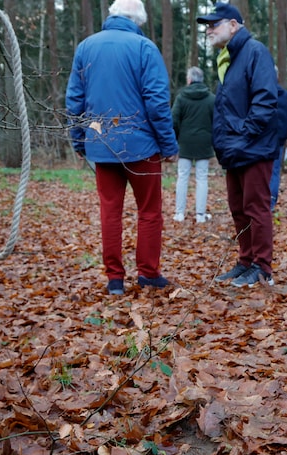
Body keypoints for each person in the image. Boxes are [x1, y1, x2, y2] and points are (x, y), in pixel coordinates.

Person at [66, 0, 178, 296]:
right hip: (141, 146)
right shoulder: (145, 48)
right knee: (150, 212)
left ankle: (115, 279)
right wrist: (168, 145)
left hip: (101, 145)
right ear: (138, 20)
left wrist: (79, 140)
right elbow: (156, 102)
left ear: (112, 15)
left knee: (110, 212)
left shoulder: (86, 47)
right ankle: (148, 273)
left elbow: (74, 102)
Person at [197, 3, 279, 288]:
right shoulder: (227, 58)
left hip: (253, 147)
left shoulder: (255, 52)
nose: (208, 30)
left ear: (234, 25)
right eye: (207, 25)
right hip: (234, 149)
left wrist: (244, 134)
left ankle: (262, 268)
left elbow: (266, 99)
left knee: (256, 208)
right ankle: (246, 261)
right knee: (238, 208)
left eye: (214, 24)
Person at [172, 66, 215, 223]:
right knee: (202, 178)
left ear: (189, 80)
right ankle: (200, 215)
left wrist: (175, 140)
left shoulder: (181, 97)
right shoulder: (211, 98)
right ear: (202, 79)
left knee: (182, 176)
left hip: (185, 142)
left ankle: (179, 214)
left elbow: (174, 120)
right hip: (204, 143)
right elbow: (217, 122)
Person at [269, 79, 287, 211]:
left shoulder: (259, 93)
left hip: (262, 139)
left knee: (262, 171)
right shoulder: (285, 96)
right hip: (278, 139)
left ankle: (263, 203)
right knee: (274, 172)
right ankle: (271, 203)